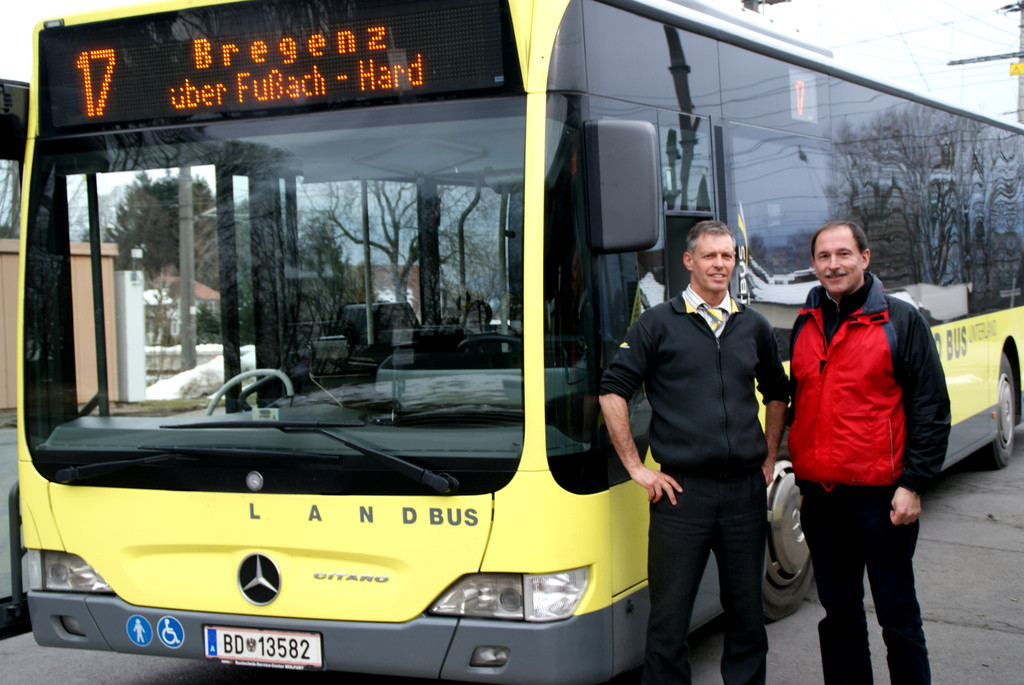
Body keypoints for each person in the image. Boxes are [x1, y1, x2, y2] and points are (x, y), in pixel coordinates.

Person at [599, 220, 788, 685]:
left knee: (747, 617)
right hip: (681, 495)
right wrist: (637, 469)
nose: (720, 264)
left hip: (744, 493)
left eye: (728, 256)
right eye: (710, 256)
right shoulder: (657, 324)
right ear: (689, 262)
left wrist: (768, 458)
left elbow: (778, 392)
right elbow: (612, 391)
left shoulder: (754, 326)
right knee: (669, 621)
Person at [787, 221, 951, 685]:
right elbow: (804, 405)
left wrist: (914, 484)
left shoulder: (900, 320)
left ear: (865, 257)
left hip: (883, 502)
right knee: (838, 618)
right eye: (823, 256)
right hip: (822, 501)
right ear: (814, 264)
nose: (833, 264)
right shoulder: (806, 322)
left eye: (843, 254)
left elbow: (931, 407)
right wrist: (801, 481)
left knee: (897, 618)